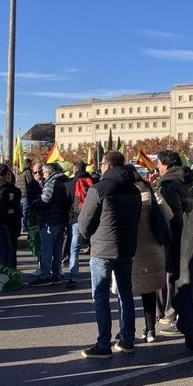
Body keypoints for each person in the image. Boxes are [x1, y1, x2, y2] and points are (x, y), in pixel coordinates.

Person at [77, 151, 141, 358]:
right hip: (126, 247)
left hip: (103, 249)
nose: (101, 167)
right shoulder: (134, 189)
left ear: (109, 165)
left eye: (102, 163)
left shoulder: (100, 188)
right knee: (125, 294)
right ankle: (127, 340)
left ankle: (103, 344)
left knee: (101, 296)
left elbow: (84, 222)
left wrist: (88, 238)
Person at [154, 150, 193, 334]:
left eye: (158, 162)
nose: (157, 166)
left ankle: (169, 312)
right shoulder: (191, 181)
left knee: (169, 274)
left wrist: (167, 236)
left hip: (175, 235)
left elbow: (171, 215)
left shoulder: (168, 185)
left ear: (165, 164)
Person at [131, 174, 168, 343]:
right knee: (149, 291)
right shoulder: (151, 192)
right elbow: (169, 214)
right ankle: (151, 329)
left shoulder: (125, 195)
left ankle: (126, 331)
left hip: (131, 249)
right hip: (152, 248)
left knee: (125, 293)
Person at [29, 162, 70, 286]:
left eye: (44, 172)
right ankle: (56, 274)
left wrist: (34, 203)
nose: (43, 175)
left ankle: (44, 275)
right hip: (60, 220)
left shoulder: (52, 182)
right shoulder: (63, 180)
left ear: (50, 172)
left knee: (46, 249)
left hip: (49, 220)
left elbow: (45, 199)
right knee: (57, 250)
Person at [63, 161, 93, 289]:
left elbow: (66, 203)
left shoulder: (69, 184)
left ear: (75, 169)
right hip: (92, 220)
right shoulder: (94, 182)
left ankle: (73, 277)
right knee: (94, 249)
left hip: (76, 219)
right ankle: (96, 276)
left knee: (74, 248)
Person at [15, 158, 35, 232]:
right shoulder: (27, 172)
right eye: (31, 164)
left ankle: (20, 226)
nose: (31, 166)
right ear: (28, 164)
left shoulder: (19, 173)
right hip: (25, 195)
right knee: (24, 212)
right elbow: (30, 183)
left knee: (21, 212)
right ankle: (23, 227)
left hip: (19, 195)